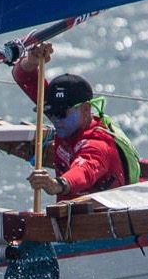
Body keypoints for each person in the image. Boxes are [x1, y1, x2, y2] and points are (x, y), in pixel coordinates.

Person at [12, 42, 140, 199]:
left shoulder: (97, 144)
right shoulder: (66, 120)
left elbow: (84, 170)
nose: (55, 119)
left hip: (100, 218)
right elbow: (23, 76)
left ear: (86, 109)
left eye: (61, 114)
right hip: (67, 213)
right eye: (51, 113)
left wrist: (57, 184)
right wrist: (32, 60)